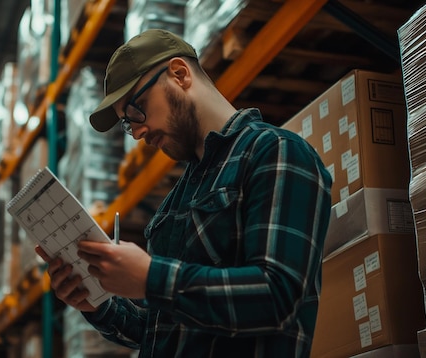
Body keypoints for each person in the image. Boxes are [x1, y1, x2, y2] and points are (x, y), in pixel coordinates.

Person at [35, 28, 332, 357]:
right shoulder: (171, 206)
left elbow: (277, 297)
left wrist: (151, 277)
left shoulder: (275, 152)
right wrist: (95, 303)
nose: (136, 132)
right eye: (127, 123)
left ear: (179, 74)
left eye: (137, 109)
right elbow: (160, 330)